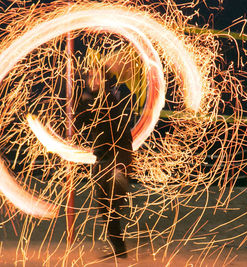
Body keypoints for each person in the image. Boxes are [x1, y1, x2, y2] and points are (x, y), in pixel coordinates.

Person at [74, 55, 134, 258]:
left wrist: (87, 100)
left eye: (96, 76)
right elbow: (78, 122)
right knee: (105, 211)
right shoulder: (90, 98)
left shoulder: (107, 98)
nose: (92, 80)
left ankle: (122, 252)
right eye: (90, 76)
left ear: (105, 80)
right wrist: (83, 100)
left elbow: (92, 115)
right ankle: (120, 252)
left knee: (113, 208)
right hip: (102, 159)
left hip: (118, 159)